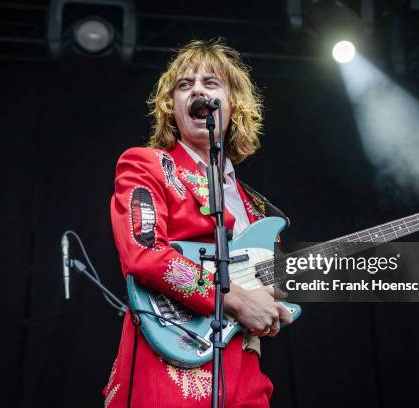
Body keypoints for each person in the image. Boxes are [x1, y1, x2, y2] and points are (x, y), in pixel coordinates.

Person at [104, 39, 293, 408]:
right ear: (171, 107)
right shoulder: (147, 164)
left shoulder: (255, 207)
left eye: (211, 82)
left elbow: (274, 283)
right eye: (185, 85)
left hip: (243, 371)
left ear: (233, 102)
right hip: (171, 358)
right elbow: (144, 253)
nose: (198, 91)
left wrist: (274, 301)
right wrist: (234, 300)